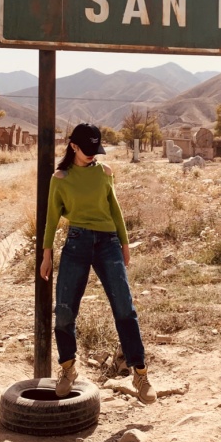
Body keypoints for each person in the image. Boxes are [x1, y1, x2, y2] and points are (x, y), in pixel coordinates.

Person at [40, 122, 156, 404]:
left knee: (124, 308)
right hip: (76, 243)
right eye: (86, 149)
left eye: (96, 149)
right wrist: (46, 254)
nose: (93, 154)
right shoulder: (60, 178)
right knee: (64, 310)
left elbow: (115, 210)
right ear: (73, 146)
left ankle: (140, 374)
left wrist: (124, 245)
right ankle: (68, 368)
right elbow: (52, 219)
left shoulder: (105, 173)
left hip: (108, 244)